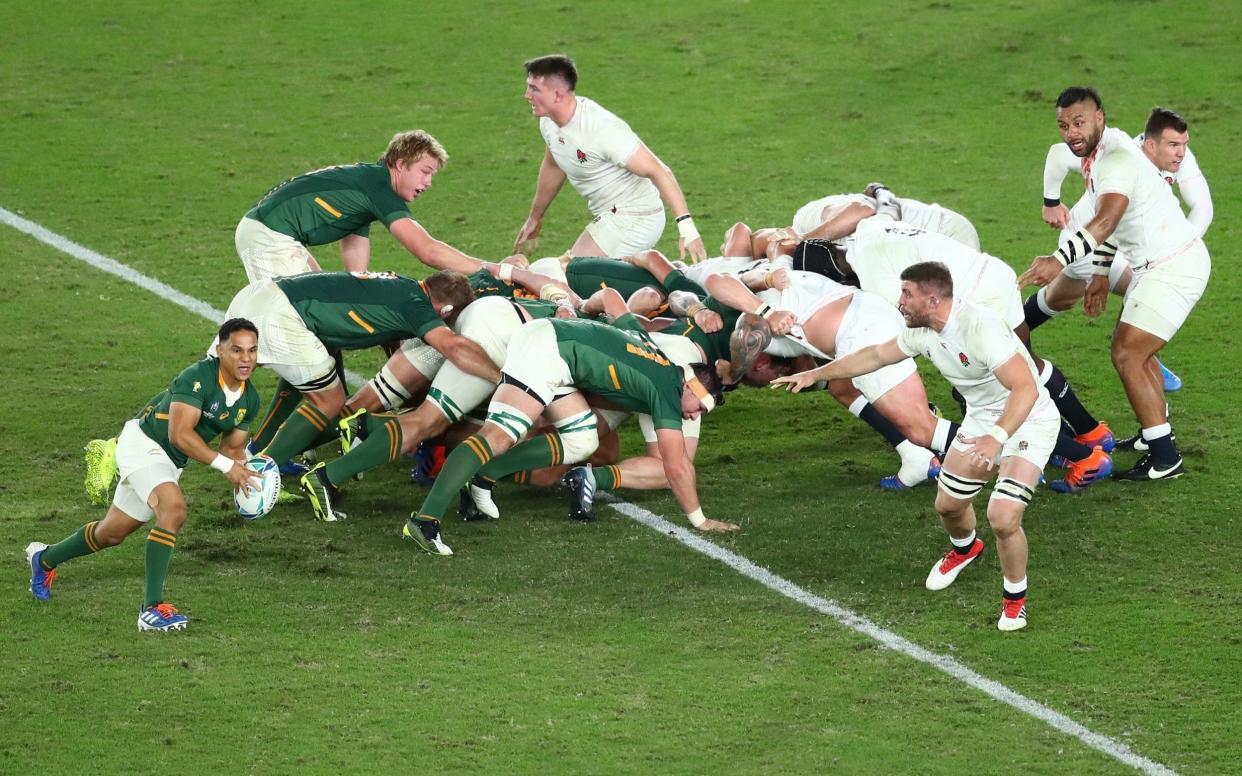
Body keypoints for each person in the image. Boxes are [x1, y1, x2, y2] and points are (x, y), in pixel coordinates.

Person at [774, 263, 1060, 631]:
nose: (900, 302)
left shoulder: (980, 329)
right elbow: (876, 355)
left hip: (1027, 420)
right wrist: (816, 373)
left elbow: (1026, 389)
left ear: (933, 298)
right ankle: (966, 549)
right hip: (982, 422)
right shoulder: (924, 331)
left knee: (1003, 518)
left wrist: (998, 438)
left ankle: (1014, 601)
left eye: (907, 294)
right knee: (948, 505)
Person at [794, 214, 1113, 493]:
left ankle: (1086, 458)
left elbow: (898, 336)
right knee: (1028, 368)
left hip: (977, 303)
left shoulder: (875, 277)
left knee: (991, 397)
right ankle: (1090, 432)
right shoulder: (867, 230)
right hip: (994, 274)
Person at [404, 310, 735, 556]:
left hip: (555, 348)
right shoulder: (666, 387)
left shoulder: (662, 368)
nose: (694, 415)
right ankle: (425, 519)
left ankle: (483, 477)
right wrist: (700, 520)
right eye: (698, 408)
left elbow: (619, 327)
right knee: (498, 437)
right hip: (549, 352)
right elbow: (675, 466)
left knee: (582, 439)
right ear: (690, 386)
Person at [1019, 87, 1211, 481]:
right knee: (1137, 353)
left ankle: (1165, 458)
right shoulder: (1098, 157)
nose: (1071, 132)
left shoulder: (1117, 161)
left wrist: (1059, 259)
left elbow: (1105, 220)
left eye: (1079, 122)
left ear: (1100, 118)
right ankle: (1154, 440)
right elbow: (1114, 226)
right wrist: (1102, 272)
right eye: (1063, 125)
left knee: (1128, 354)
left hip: (1173, 268)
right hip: (1154, 266)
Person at [26, 319, 262, 632]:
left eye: (252, 350)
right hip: (144, 444)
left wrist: (252, 475)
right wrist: (226, 466)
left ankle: (43, 560)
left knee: (111, 533)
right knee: (173, 509)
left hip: (168, 462)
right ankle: (151, 609)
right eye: (236, 350)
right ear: (219, 350)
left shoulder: (250, 399)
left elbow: (233, 450)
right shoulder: (198, 378)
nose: (245, 358)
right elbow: (179, 435)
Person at [224, 270, 499, 471]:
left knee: (219, 383)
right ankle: (260, 471)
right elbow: (454, 347)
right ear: (446, 309)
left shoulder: (403, 285)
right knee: (329, 401)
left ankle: (210, 440)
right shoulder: (417, 306)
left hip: (259, 294)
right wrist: (501, 378)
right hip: (281, 315)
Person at [1029, 104, 1213, 394]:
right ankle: (1141, 350)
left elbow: (1203, 207)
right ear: (1150, 145)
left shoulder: (1178, 158)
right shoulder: (1118, 156)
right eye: (1173, 145)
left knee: (1061, 297)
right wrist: (1051, 201)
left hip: (1120, 244)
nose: (1181, 153)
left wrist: (1176, 248)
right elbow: (1058, 155)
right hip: (1084, 243)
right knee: (1140, 296)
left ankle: (1009, 330)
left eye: (1183, 145)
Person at [514, 54, 707, 263]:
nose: (526, 95)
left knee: (573, 271)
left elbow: (659, 171)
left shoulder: (602, 129)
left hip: (637, 216)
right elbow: (554, 165)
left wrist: (687, 229)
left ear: (558, 95)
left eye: (534, 89)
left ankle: (666, 280)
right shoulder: (549, 122)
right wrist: (535, 217)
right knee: (583, 276)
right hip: (611, 215)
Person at [236, 130, 492, 281]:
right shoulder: (379, 188)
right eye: (425, 171)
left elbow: (355, 261)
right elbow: (427, 251)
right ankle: (217, 364)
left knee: (316, 302)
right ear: (401, 164)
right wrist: (494, 271)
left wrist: (364, 285)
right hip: (269, 236)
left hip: (272, 233)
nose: (428, 182)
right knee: (294, 315)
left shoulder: (370, 181)